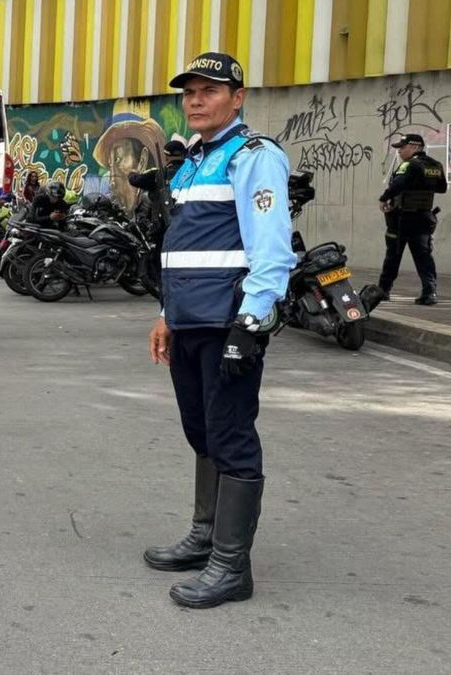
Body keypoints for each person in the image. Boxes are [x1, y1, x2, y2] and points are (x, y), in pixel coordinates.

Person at [146, 52, 296, 609]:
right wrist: (166, 314)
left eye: (210, 90)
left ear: (238, 97)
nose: (196, 100)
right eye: (189, 92)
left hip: (227, 322)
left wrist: (251, 323)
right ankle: (206, 536)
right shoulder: (191, 162)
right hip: (189, 322)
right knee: (201, 430)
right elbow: (180, 249)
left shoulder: (254, 158)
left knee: (231, 436)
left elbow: (271, 248)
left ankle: (232, 567)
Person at [377, 133, 448, 305]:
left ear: (416, 147)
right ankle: (430, 293)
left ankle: (383, 290)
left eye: (403, 147)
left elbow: (398, 184)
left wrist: (384, 198)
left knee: (393, 255)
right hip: (424, 217)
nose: (399, 151)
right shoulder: (435, 165)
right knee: (424, 257)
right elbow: (442, 188)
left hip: (402, 218)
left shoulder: (409, 165)